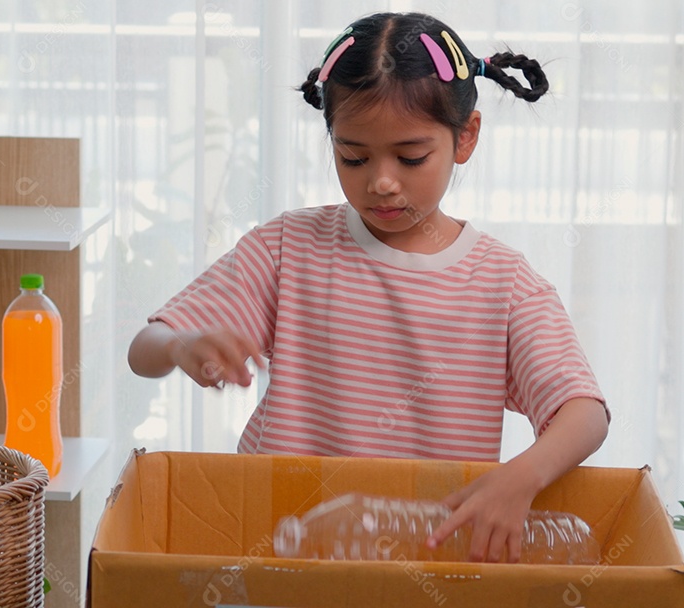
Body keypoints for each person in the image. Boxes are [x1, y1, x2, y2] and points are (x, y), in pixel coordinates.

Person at [127, 12, 609, 564]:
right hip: (281, 552)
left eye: (410, 157)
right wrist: (179, 345)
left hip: (429, 563)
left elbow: (583, 410)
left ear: (466, 136)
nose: (381, 180)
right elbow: (145, 350)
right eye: (352, 156)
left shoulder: (503, 284)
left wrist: (520, 478)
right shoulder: (289, 246)